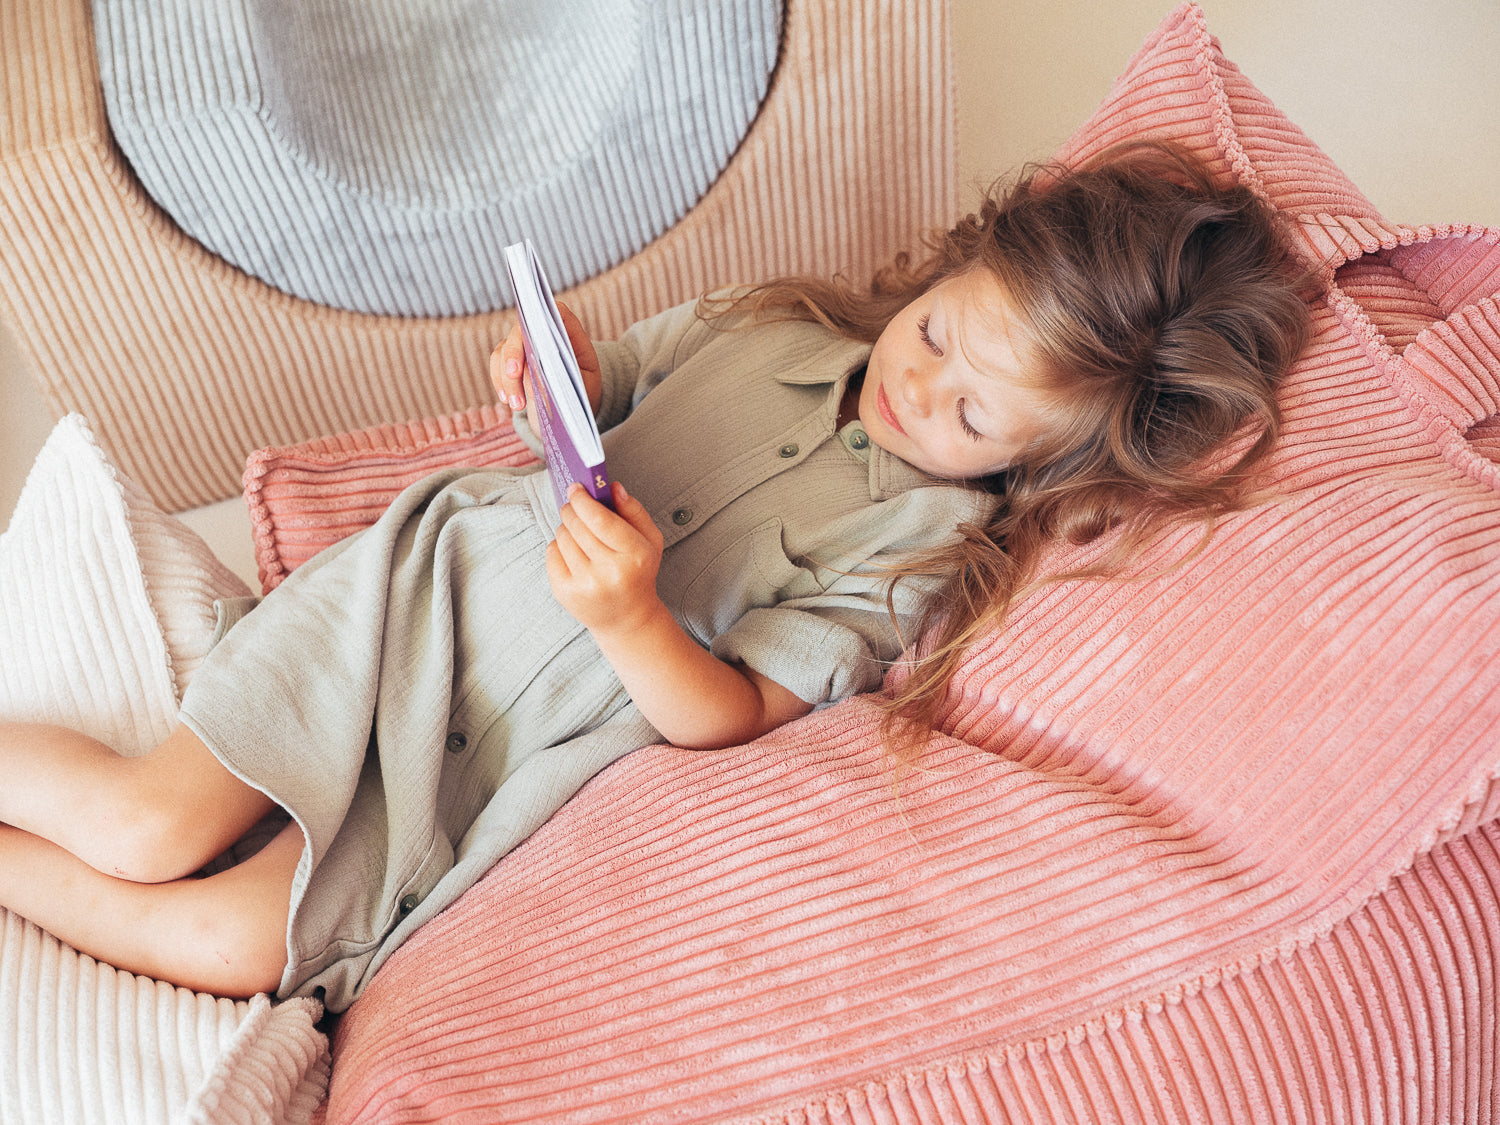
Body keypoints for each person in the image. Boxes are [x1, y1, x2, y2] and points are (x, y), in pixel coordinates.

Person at [0, 143, 1311, 1008]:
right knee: (145, 825)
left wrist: (632, 616)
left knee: (240, 945)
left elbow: (732, 714)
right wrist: (548, 370)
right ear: (945, 267)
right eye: (938, 333)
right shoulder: (771, 324)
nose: (923, 384)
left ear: (1047, 463)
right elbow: (600, 394)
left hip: (494, 768)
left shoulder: (920, 561)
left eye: (975, 413)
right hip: (416, 606)